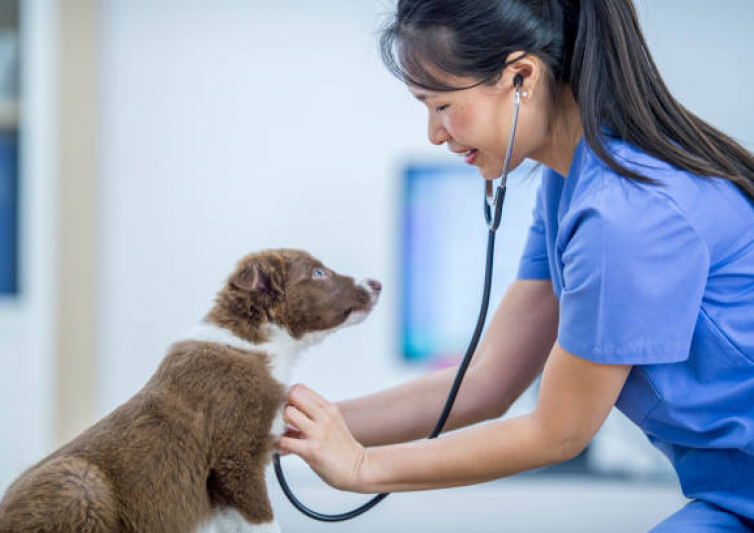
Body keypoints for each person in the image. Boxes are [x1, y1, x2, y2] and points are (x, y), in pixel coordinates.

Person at [275, 1, 754, 530]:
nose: (434, 134)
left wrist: (362, 466)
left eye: (440, 105)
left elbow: (560, 432)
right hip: (732, 496)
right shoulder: (569, 185)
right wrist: (279, 427)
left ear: (521, 76)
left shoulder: (626, 215)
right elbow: (486, 382)